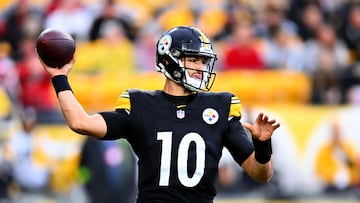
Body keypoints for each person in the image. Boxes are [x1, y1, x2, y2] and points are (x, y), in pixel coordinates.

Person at [39, 26, 280, 202]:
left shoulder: (220, 106)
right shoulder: (141, 104)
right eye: (193, 59)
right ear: (169, 60)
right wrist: (59, 77)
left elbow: (261, 174)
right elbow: (80, 122)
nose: (200, 68)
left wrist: (262, 146)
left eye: (203, 61)